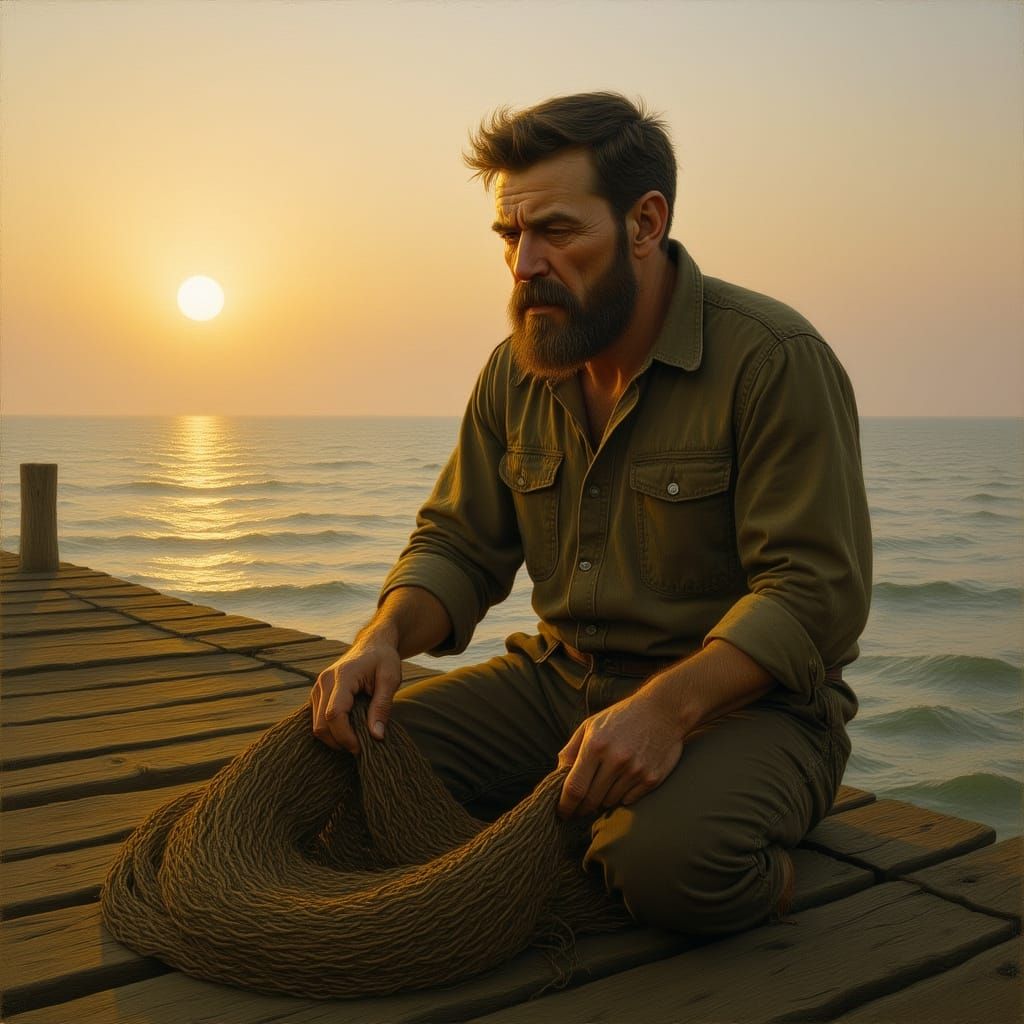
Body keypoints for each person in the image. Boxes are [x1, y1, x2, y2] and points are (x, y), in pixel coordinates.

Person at [310, 92, 872, 935]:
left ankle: (787, 879)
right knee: (347, 764)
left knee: (662, 865)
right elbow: (459, 545)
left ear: (645, 223)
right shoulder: (516, 371)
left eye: (556, 232)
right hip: (558, 683)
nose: (524, 264)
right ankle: (578, 817)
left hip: (750, 712)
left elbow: (814, 593)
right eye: (510, 235)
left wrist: (665, 712)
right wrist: (381, 638)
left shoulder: (773, 360)